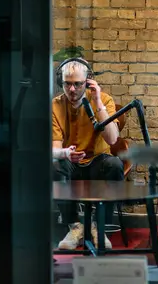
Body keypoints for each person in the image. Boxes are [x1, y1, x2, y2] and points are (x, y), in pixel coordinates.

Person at [52, 58, 123, 250]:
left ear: (88, 82)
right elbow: (54, 148)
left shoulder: (104, 100)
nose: (72, 89)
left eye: (77, 84)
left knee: (115, 165)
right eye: (67, 84)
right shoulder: (56, 105)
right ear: (61, 82)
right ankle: (74, 226)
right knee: (53, 165)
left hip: (98, 162)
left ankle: (99, 227)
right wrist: (65, 153)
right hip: (71, 162)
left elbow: (112, 139)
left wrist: (98, 101)